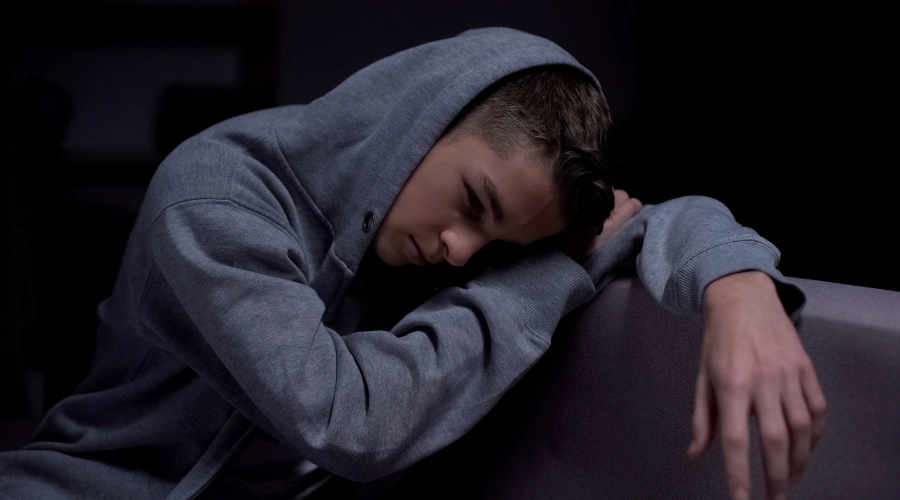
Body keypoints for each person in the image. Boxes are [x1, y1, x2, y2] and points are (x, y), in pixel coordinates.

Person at [0, 27, 825, 500]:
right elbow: (346, 418)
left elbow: (644, 218)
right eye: (471, 202)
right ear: (420, 119)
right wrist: (541, 275)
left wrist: (738, 288)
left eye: (500, 245)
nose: (463, 252)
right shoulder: (214, 200)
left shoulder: (450, 224)